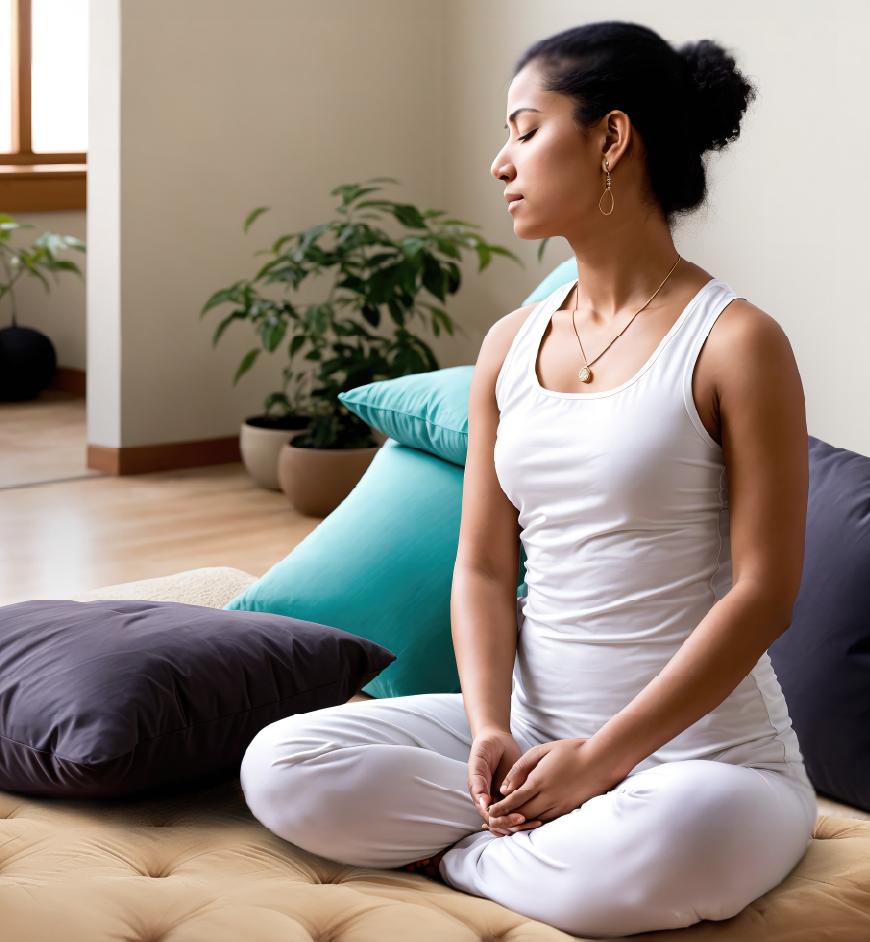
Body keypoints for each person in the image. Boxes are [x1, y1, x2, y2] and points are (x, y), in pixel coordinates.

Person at [240, 22, 816, 938]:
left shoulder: (737, 342)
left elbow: (765, 594)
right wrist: (486, 729)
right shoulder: (510, 342)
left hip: (702, 764)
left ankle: (472, 854)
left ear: (611, 140)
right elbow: (480, 568)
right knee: (282, 763)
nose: (501, 161)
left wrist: (601, 761)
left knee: (668, 848)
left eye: (524, 128)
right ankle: (532, 836)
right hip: (530, 735)